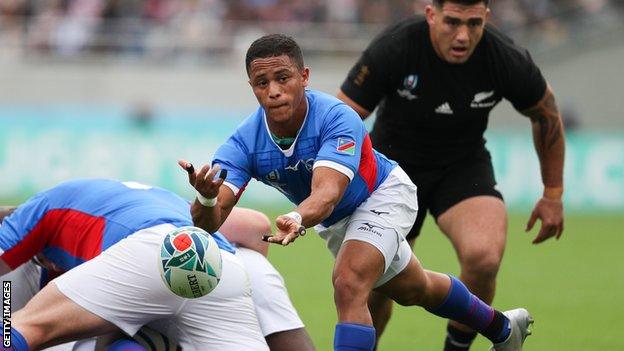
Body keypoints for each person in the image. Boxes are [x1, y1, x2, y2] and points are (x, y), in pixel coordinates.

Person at [179, 33, 533, 351]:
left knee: (348, 282)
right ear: (252, 86)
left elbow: (328, 192)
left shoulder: (336, 117)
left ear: (304, 77)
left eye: (282, 78)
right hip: (337, 221)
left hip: (382, 194)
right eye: (261, 82)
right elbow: (209, 223)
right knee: (416, 289)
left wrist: (298, 216)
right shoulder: (244, 142)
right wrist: (208, 198)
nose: (273, 90)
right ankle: (503, 328)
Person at [336, 1, 565, 349]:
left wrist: (552, 194)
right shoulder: (396, 46)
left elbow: (546, 113)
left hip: (462, 167)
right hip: (391, 172)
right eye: (452, 22)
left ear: (486, 18)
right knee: (380, 285)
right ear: (431, 14)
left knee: (484, 257)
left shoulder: (503, 57)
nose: (463, 35)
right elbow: (341, 119)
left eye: (474, 24)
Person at [0, 181, 314, 351]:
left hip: (150, 251)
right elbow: (256, 225)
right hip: (220, 264)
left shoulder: (35, 210)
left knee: (22, 328)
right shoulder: (154, 198)